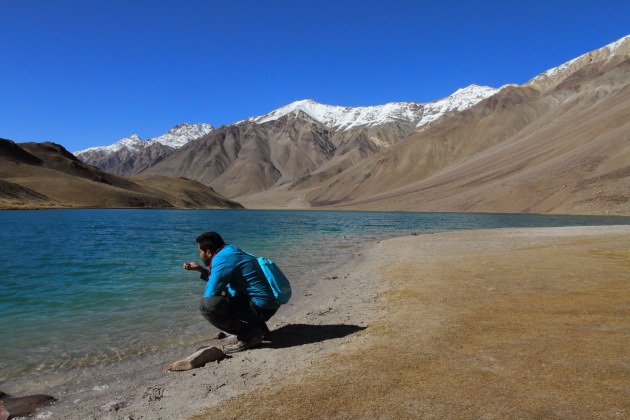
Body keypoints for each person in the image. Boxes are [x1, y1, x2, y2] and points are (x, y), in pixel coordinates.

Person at [183, 231, 279, 353]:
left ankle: (249, 335)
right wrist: (201, 270)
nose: (200, 255)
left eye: (200, 252)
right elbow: (224, 282)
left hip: (261, 307)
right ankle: (260, 328)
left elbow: (211, 293)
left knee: (206, 306)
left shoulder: (221, 258)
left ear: (208, 252)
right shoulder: (231, 251)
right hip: (267, 304)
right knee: (228, 295)